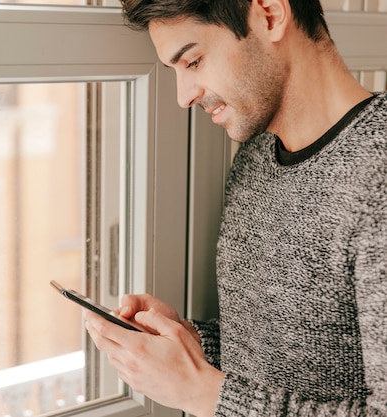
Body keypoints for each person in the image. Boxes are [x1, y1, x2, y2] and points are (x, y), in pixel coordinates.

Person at [83, 0, 387, 415]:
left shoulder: (378, 173)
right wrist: (192, 347)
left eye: (192, 61)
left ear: (269, 14)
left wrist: (203, 393)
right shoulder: (257, 157)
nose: (184, 97)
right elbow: (280, 360)